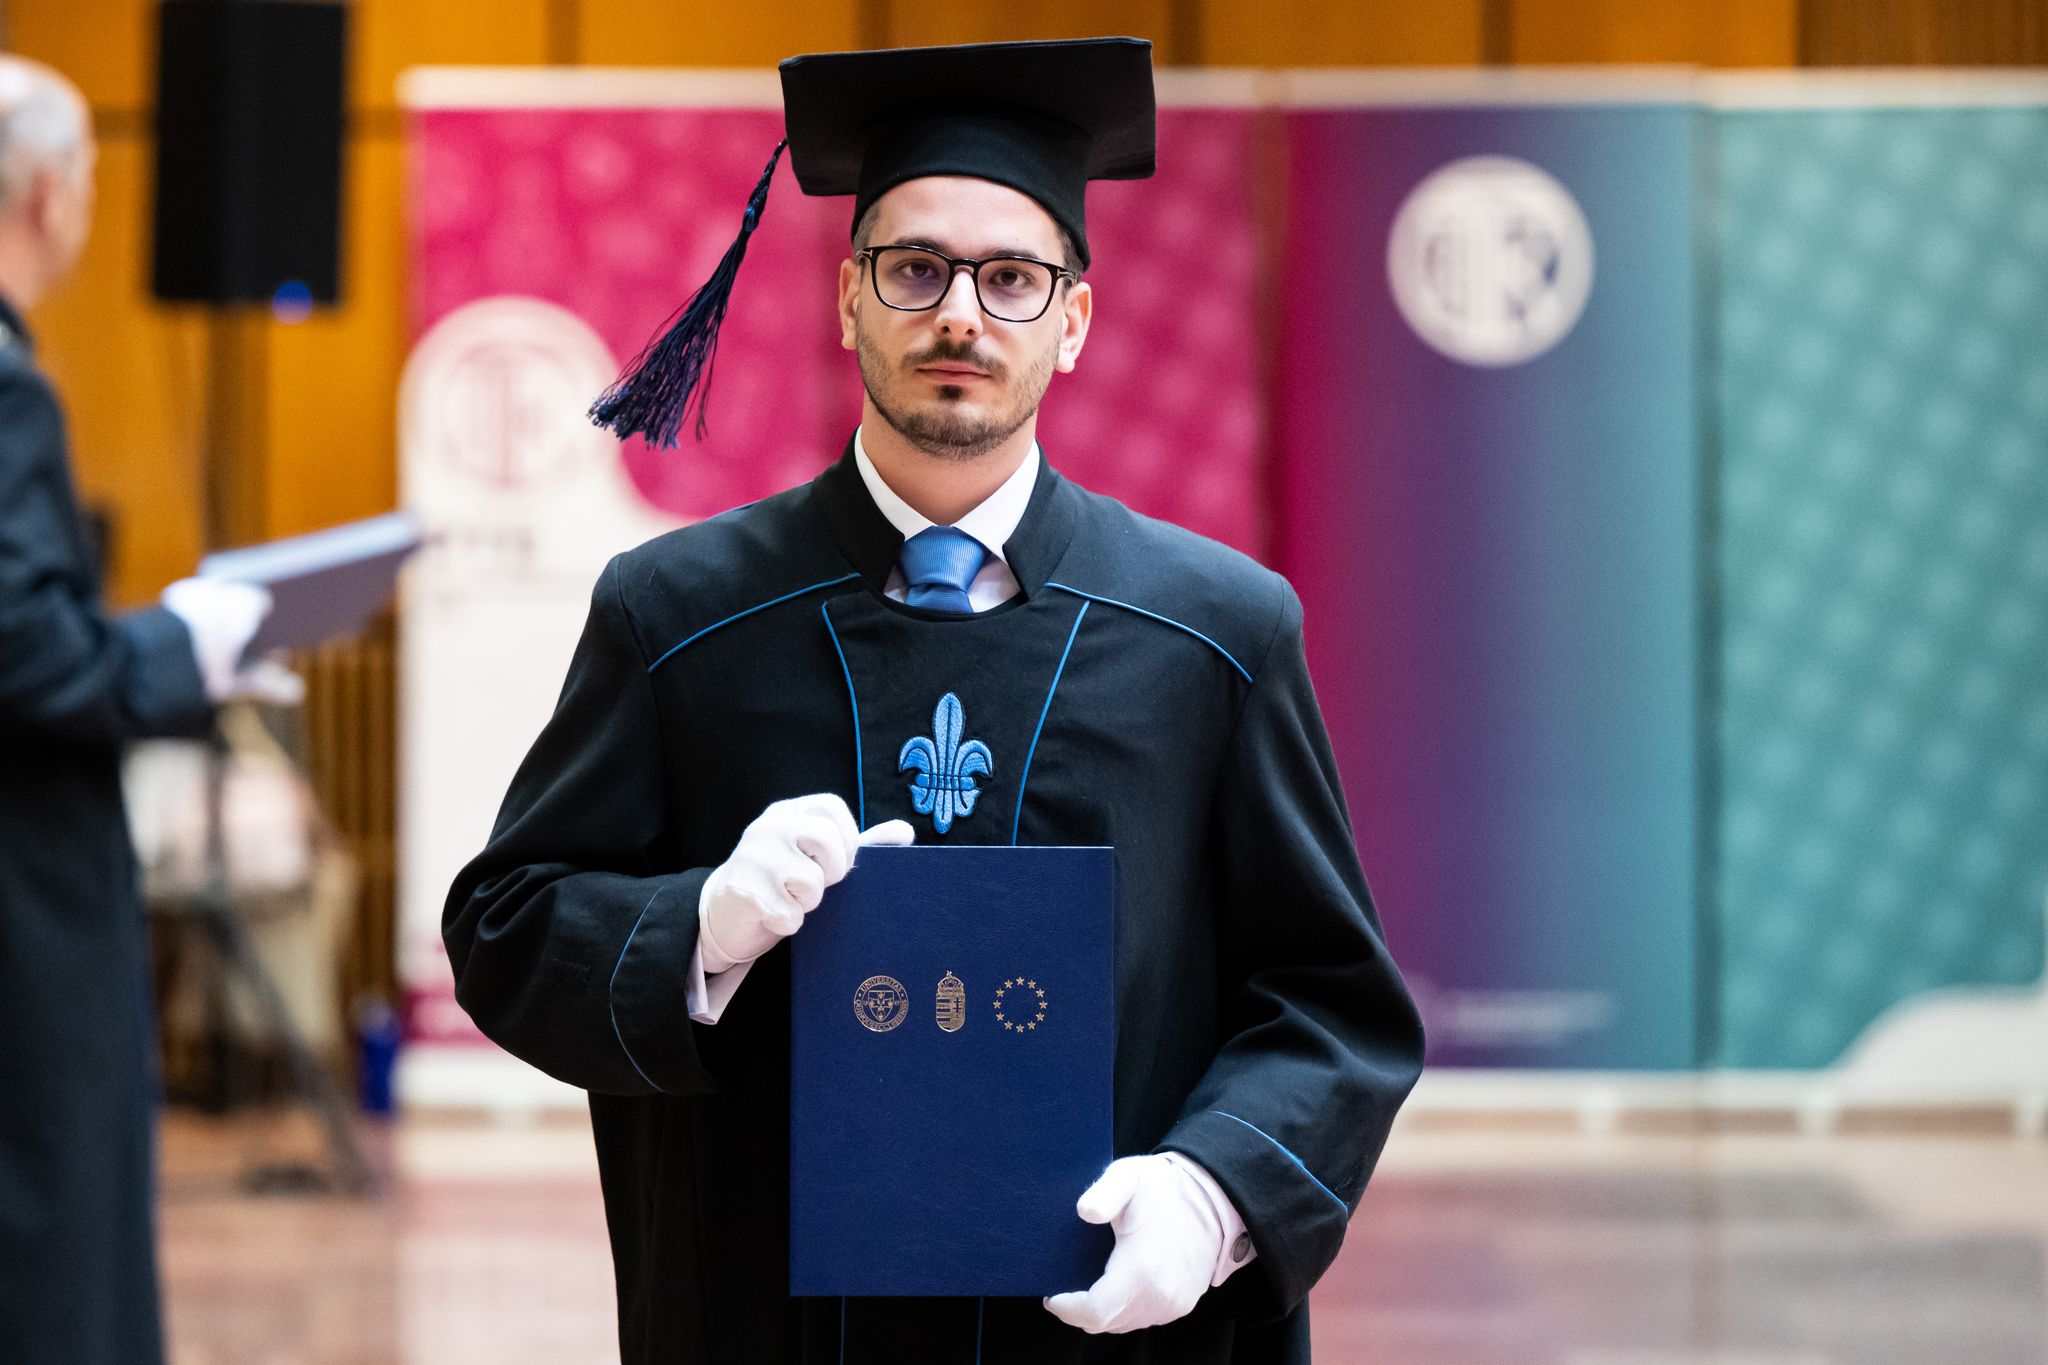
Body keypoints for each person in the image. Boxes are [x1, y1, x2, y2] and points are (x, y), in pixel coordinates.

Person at [444, 37, 1423, 1365]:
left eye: (1011, 278)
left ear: (1073, 322)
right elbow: (507, 925)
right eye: (914, 268)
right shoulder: (678, 615)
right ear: (849, 299)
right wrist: (700, 928)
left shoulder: (1214, 634)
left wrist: (1215, 1194)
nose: (960, 313)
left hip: (1109, 1333)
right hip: (773, 1323)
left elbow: (1331, 1002)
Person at [0, 55, 299, 1365]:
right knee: (53, 1244)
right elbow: (31, 655)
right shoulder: (7, 386)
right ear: (52, 196)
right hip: (23, 898)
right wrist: (189, 645)